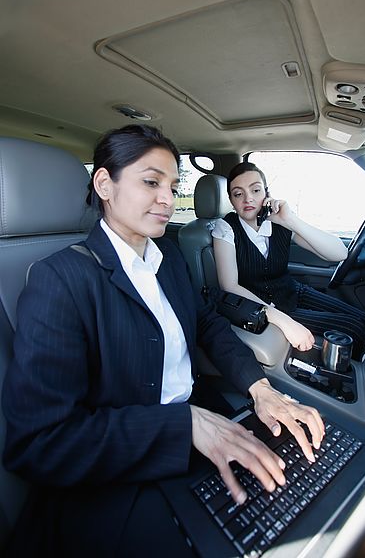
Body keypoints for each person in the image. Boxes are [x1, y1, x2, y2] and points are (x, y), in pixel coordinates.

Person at [1, 125, 324, 557]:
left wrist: (259, 388)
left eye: (173, 185)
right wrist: (184, 424)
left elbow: (206, 323)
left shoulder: (167, 256)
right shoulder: (59, 279)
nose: (168, 199)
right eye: (151, 182)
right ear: (104, 185)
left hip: (202, 424)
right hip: (119, 476)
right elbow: (39, 443)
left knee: (305, 488)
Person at [212, 162, 365, 356]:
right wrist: (283, 320)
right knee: (354, 327)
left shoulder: (280, 221)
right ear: (231, 200)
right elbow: (229, 286)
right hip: (267, 307)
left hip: (294, 291)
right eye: (238, 194)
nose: (248, 199)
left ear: (266, 193)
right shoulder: (225, 228)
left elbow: (339, 254)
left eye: (255, 190)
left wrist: (290, 220)